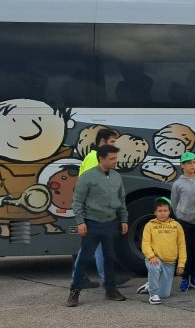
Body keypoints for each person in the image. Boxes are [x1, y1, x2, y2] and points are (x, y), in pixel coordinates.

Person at [66, 145, 128, 307]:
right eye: (112, 159)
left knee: (109, 257)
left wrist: (124, 219)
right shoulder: (87, 177)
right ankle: (74, 291)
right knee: (84, 258)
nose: (115, 161)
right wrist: (80, 222)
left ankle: (111, 290)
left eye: (115, 158)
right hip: (92, 223)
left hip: (110, 223)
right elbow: (77, 201)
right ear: (101, 159)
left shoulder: (116, 176)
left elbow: (121, 200)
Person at [72, 128, 120, 289]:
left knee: (96, 245)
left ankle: (105, 277)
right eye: (112, 141)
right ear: (103, 141)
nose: (114, 145)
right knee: (90, 246)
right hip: (92, 211)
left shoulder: (93, 156)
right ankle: (81, 278)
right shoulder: (94, 159)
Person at [140, 197, 186, 304]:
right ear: (155, 212)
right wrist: (151, 256)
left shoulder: (177, 226)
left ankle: (150, 285)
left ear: (169, 212)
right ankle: (153, 294)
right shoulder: (150, 225)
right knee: (154, 266)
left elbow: (182, 246)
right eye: (160, 211)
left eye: (165, 210)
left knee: (164, 295)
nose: (162, 213)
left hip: (170, 263)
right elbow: (145, 243)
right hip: (155, 259)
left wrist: (181, 264)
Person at [170, 152, 195, 292]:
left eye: (194, 162)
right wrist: (179, 214)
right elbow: (174, 202)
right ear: (182, 166)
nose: (192, 165)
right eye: (189, 163)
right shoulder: (178, 184)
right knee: (185, 250)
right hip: (184, 221)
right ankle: (185, 278)